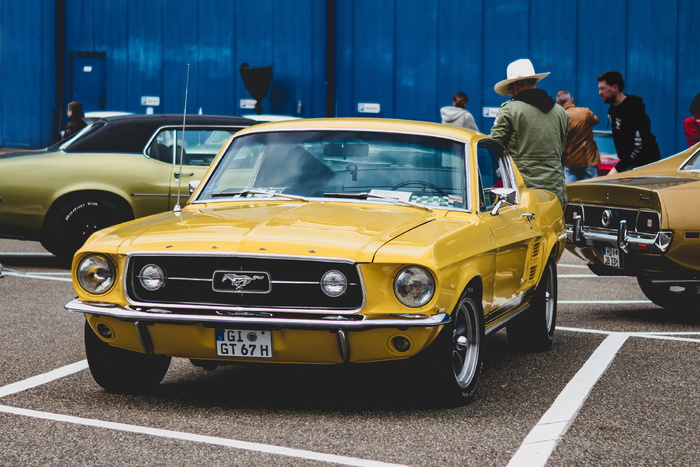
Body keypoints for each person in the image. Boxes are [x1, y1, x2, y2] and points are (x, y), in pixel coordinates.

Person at [489, 59, 568, 206]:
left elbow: (494, 145)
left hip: (523, 194)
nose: (511, 93)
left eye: (510, 90)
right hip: (555, 193)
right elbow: (562, 149)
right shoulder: (560, 112)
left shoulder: (510, 110)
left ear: (517, 86)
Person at [597, 71, 660, 174]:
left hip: (645, 165)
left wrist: (618, 168)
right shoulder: (612, 111)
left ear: (615, 88)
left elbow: (639, 146)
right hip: (628, 165)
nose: (599, 92)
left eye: (602, 88)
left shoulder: (634, 110)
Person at [555, 90, 601, 182]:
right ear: (572, 99)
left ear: (558, 103)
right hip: (588, 160)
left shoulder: (557, 117)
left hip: (569, 162)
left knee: (571, 192)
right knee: (592, 193)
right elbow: (596, 120)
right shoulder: (585, 112)